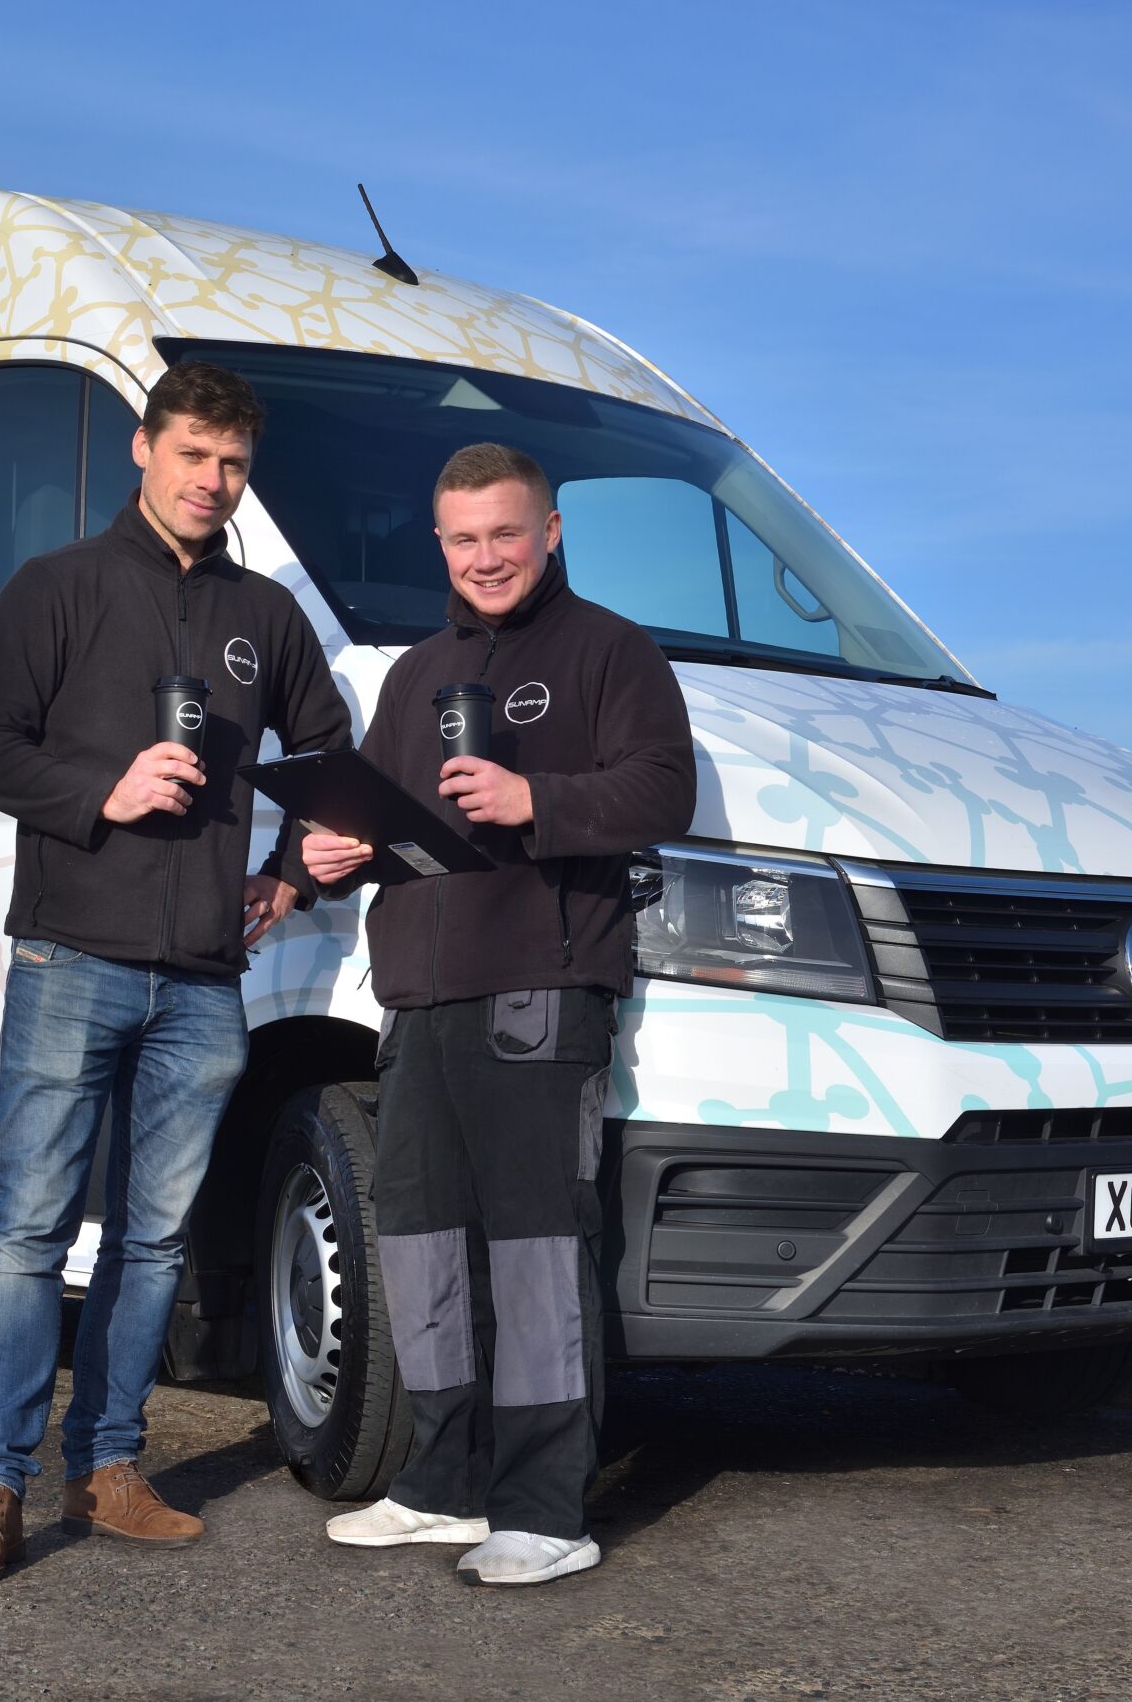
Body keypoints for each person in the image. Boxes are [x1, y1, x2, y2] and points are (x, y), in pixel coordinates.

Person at [0, 362, 353, 1584]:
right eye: (193, 455)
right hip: (71, 954)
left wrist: (290, 873)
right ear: (143, 448)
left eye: (232, 464)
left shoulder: (264, 615)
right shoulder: (57, 586)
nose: (212, 481)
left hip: (206, 980)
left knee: (154, 1241)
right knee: (28, 1232)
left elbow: (328, 752)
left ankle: (108, 1465)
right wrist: (100, 792)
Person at [301, 442, 695, 1586]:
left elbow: (664, 787)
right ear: (439, 543)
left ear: (551, 531)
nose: (485, 557)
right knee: (422, 1245)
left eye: (506, 533)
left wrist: (538, 798)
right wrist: (331, 850)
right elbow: (376, 813)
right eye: (464, 538)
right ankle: (443, 1482)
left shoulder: (609, 650)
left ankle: (544, 1508)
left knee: (535, 1250)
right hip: (418, 996)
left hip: (540, 987)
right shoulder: (415, 675)